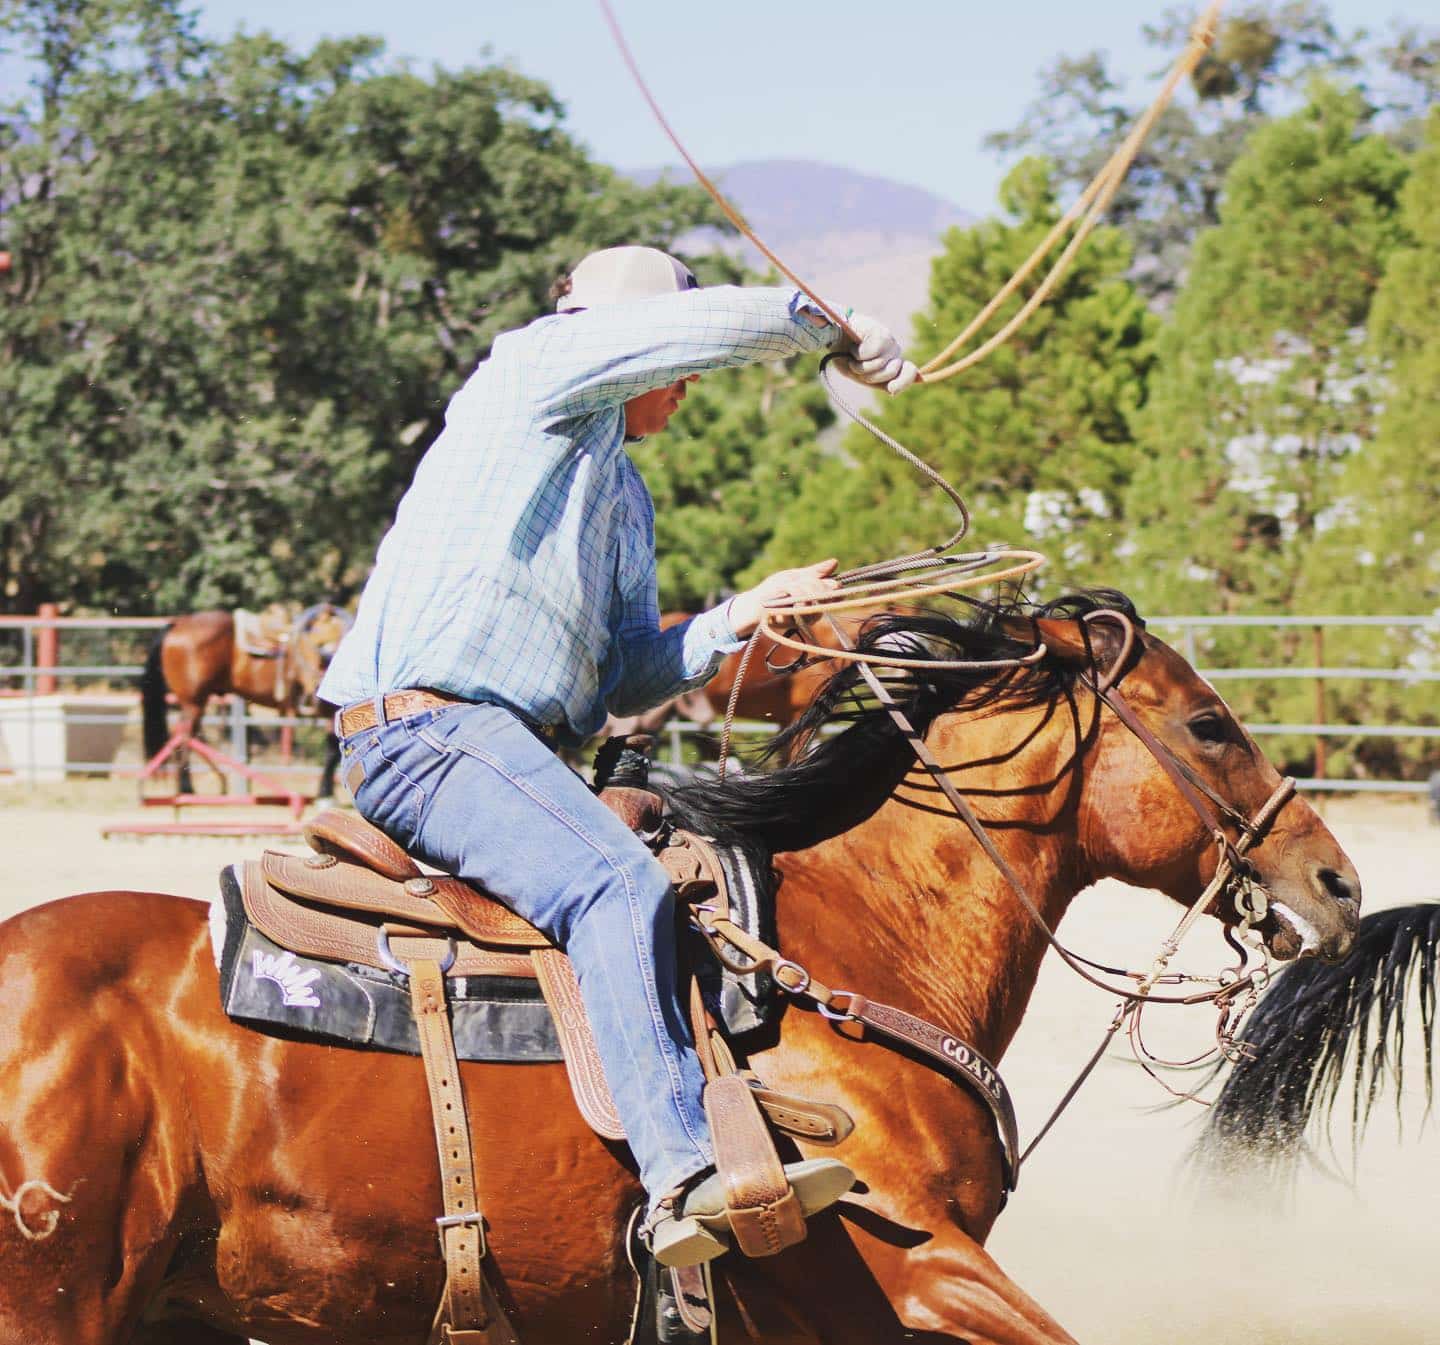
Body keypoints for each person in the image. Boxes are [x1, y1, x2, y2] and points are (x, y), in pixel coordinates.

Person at [318, 245, 917, 1265]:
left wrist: (749, 610)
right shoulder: (533, 373)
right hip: (432, 733)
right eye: (672, 367)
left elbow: (626, 676)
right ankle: (685, 1174)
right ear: (629, 345)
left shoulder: (624, 496)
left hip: (507, 747)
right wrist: (830, 326)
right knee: (613, 885)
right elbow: (686, 334)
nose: (683, 389)